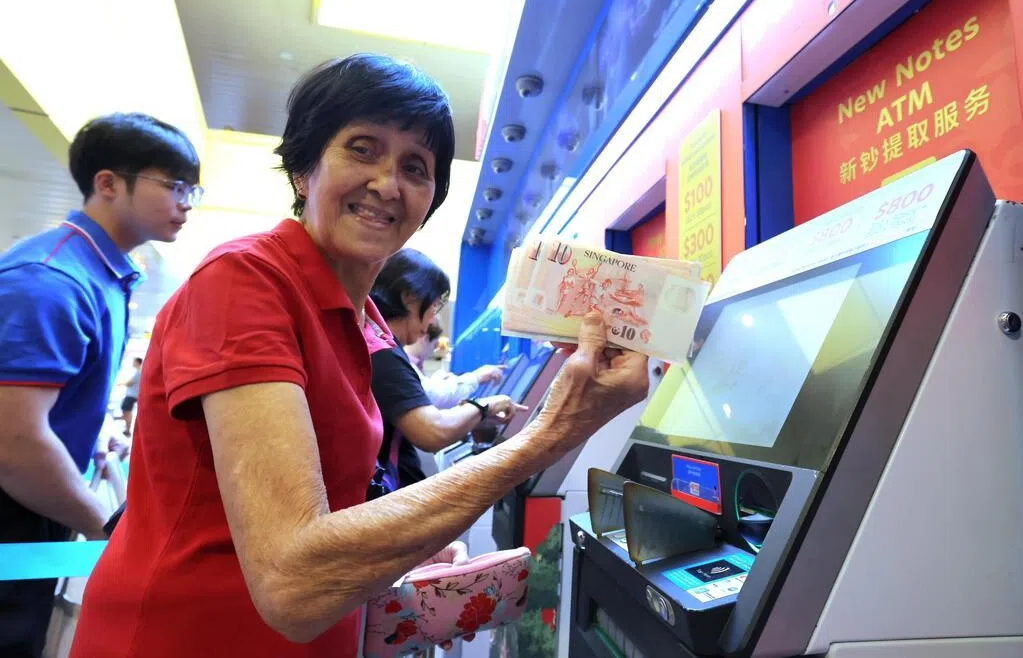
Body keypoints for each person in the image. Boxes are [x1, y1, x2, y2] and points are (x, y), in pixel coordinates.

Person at [70, 53, 647, 658]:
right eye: (362, 149)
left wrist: (400, 548)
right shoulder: (245, 280)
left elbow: (326, 509)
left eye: (415, 167)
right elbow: (291, 580)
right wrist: (548, 436)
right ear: (304, 169)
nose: (388, 184)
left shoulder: (361, 317)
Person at [0, 112, 200, 657]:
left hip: (34, 505)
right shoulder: (50, 279)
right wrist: (108, 525)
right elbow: (14, 444)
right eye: (174, 185)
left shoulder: (104, 275)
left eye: (191, 190)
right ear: (108, 183)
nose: (185, 203)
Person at [368, 248, 524, 489]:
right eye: (434, 306)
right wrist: (485, 406)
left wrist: (476, 418)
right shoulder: (383, 352)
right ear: (409, 297)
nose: (433, 320)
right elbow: (433, 432)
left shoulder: (380, 343)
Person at [406, 322, 505, 409]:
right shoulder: (405, 366)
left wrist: (437, 381)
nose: (433, 350)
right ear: (425, 338)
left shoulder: (410, 363)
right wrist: (477, 377)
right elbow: (435, 397)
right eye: (434, 345)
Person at [119, 357, 143, 435]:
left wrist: (121, 383)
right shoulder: (138, 372)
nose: (133, 363)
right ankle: (126, 427)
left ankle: (127, 430)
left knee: (127, 411)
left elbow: (130, 383)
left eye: (134, 361)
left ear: (137, 362)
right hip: (132, 395)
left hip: (132, 395)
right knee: (125, 411)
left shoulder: (138, 372)